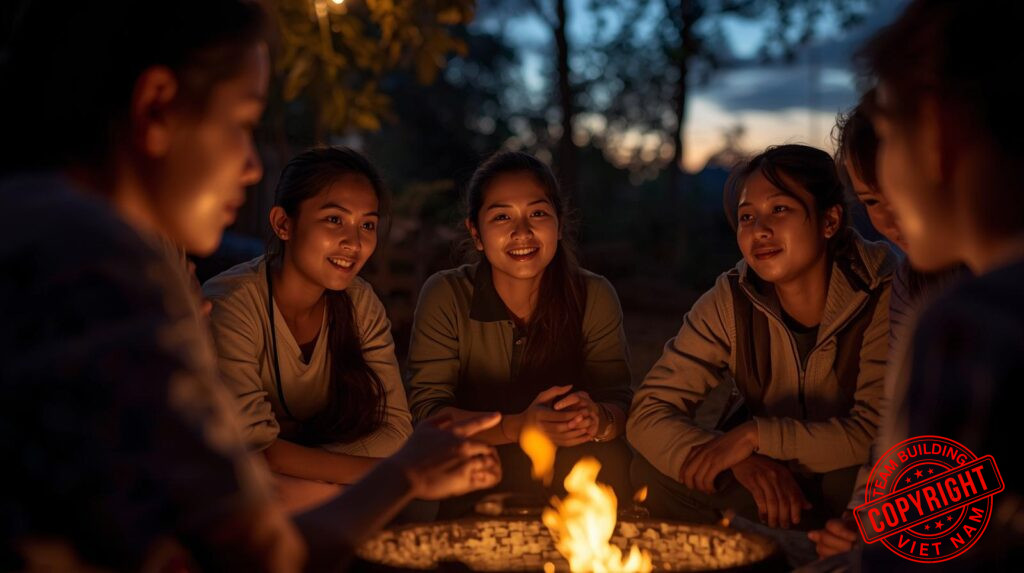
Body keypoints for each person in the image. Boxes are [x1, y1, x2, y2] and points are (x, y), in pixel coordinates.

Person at [0, 1, 499, 570]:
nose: (251, 166)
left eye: (367, 226)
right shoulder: (98, 267)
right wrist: (405, 472)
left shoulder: (33, 229)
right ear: (156, 106)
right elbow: (256, 554)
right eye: (240, 124)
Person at [628, 144, 895, 535]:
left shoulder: (882, 289)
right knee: (653, 470)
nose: (760, 230)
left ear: (829, 221)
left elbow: (874, 434)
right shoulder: (733, 298)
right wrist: (736, 458)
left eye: (780, 209)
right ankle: (781, 543)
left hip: (857, 485)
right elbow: (649, 411)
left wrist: (755, 436)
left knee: (859, 482)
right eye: (747, 217)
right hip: (772, 483)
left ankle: (811, 545)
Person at [407, 151, 634, 514]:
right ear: (476, 233)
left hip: (579, 480)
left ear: (559, 225)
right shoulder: (446, 295)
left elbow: (620, 400)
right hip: (477, 470)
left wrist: (597, 420)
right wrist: (518, 427)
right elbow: (428, 415)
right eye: (501, 217)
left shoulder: (593, 294)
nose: (522, 232)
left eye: (538, 213)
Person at [204, 147, 414, 513]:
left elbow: (395, 431)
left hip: (298, 484)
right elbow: (255, 450)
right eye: (335, 220)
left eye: (367, 224)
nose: (355, 241)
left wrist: (303, 465)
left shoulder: (359, 302)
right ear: (283, 224)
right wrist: (391, 476)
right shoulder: (233, 303)